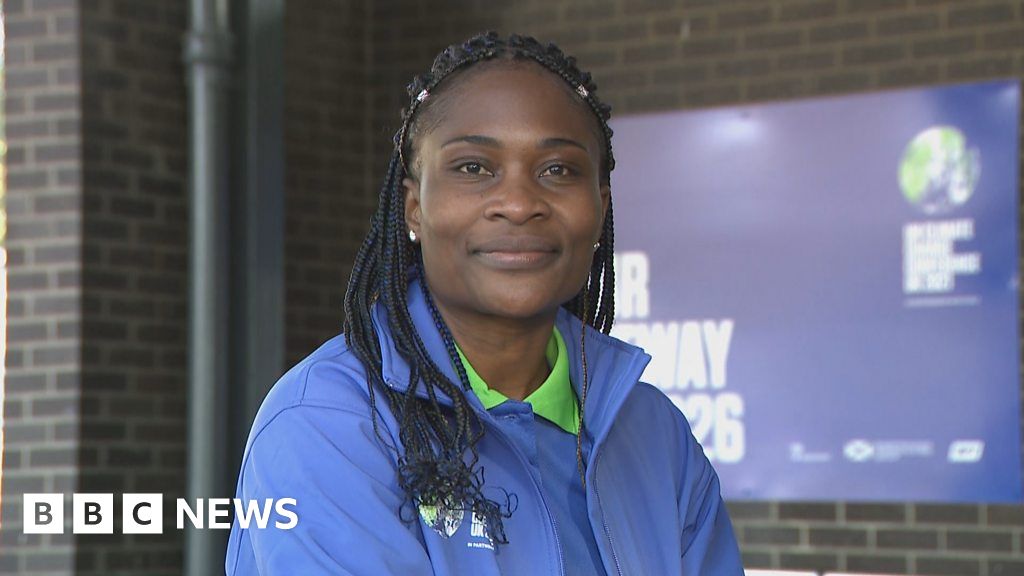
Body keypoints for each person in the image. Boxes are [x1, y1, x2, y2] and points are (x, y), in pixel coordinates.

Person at [226, 31, 743, 575]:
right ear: (414, 208)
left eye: (558, 170)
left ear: (600, 207)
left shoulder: (655, 432)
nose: (519, 204)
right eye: (474, 168)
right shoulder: (329, 424)